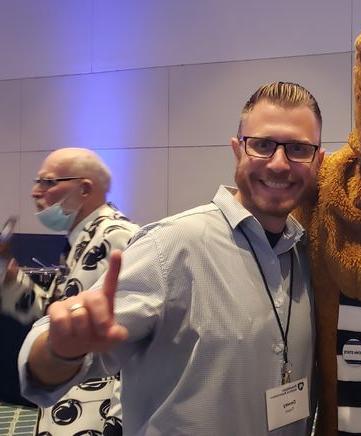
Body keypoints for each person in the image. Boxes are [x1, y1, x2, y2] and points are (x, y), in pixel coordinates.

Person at [18, 82, 325, 435]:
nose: (279, 164)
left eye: (299, 149)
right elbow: (42, 365)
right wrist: (61, 349)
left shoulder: (307, 256)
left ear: (318, 160)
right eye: (263, 145)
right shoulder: (171, 246)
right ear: (238, 150)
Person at [1, 148, 139, 435]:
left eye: (47, 182)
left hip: (95, 404)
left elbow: (127, 336)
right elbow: (56, 318)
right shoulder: (83, 238)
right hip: (72, 393)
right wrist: (11, 280)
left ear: (85, 188)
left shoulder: (115, 235)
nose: (35, 192)